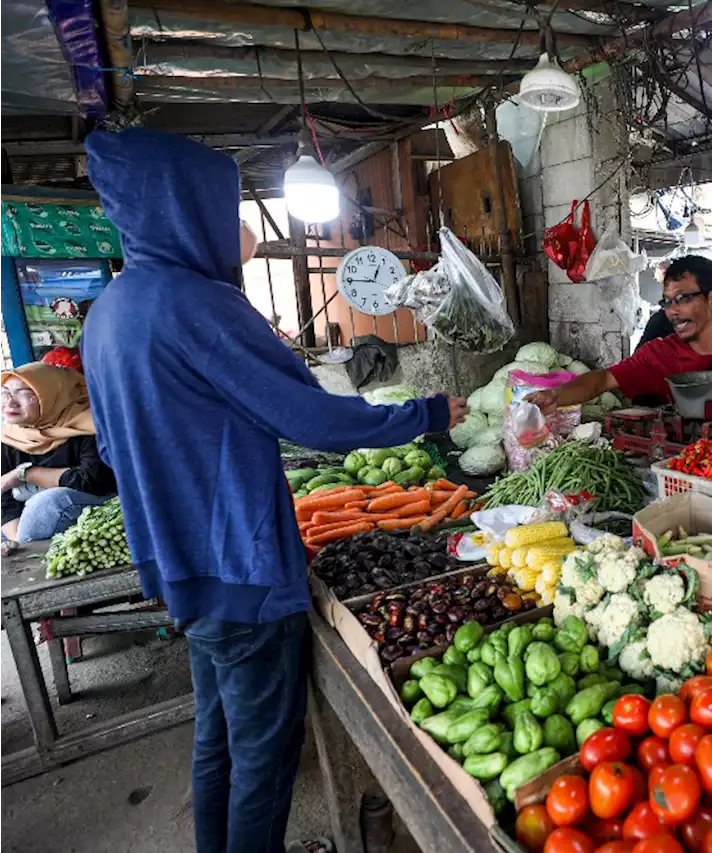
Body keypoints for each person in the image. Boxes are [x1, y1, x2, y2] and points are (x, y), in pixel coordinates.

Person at [83, 127, 468, 853]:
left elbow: (112, 449)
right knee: (265, 753)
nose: (235, 230)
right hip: (242, 568)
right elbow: (312, 418)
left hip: (180, 570)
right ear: (182, 208)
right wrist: (426, 412)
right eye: (220, 207)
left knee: (218, 736)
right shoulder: (199, 305)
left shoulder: (111, 311)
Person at [530, 255, 712, 444]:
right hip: (701, 466)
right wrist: (556, 396)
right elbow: (602, 379)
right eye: (667, 302)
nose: (672, 311)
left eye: (682, 299)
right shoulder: (659, 353)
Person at [0, 362, 115, 547]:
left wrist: (28, 474)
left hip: (95, 510)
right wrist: (15, 541)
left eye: (23, 393)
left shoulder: (87, 425)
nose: (10, 402)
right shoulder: (8, 435)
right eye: (5, 392)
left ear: (52, 395)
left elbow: (93, 480)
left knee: (49, 502)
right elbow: (3, 497)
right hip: (25, 527)